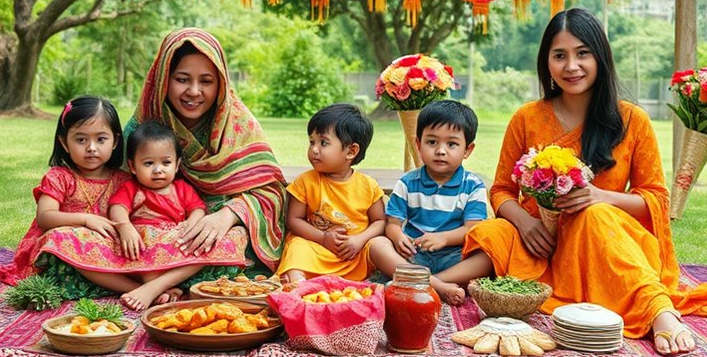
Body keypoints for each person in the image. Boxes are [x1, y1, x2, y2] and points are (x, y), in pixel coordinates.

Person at [461, 8, 707, 356]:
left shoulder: (632, 119)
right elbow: (501, 190)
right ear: (547, 63)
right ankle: (438, 282)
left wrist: (601, 197)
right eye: (560, 56)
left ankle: (657, 311)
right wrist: (524, 222)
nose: (571, 66)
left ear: (601, 57)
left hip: (604, 239)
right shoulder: (527, 117)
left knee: (594, 216)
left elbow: (656, 200)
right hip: (539, 244)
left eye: (582, 53)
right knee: (492, 233)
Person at [125, 28, 287, 277]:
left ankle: (164, 283)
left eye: (206, 81)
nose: (194, 91)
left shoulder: (239, 125)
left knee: (233, 242)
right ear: (163, 80)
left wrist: (226, 216)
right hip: (149, 230)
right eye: (182, 79)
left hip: (218, 232)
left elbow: (271, 193)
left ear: (221, 84)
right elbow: (113, 185)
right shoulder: (144, 125)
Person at [71, 121, 245, 311]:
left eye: (166, 162)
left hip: (175, 249)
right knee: (73, 242)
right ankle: (153, 289)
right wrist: (125, 227)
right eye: (148, 163)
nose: (158, 169)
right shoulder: (131, 188)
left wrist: (192, 223)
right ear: (133, 166)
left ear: (177, 164)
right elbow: (118, 207)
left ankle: (159, 288)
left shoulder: (182, 189)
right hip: (138, 249)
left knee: (232, 235)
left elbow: (197, 209)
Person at [0, 96, 130, 287]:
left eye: (101, 139)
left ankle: (139, 283)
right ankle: (135, 289)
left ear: (115, 141)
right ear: (64, 143)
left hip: (104, 248)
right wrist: (85, 220)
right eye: (81, 139)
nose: (91, 148)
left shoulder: (123, 180)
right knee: (59, 239)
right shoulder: (59, 177)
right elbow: (45, 217)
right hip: (65, 252)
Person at [368, 100, 489, 305]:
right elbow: (393, 224)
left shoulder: (473, 185)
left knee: (488, 257)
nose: (441, 151)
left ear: (467, 150)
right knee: (377, 245)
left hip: (454, 257)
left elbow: (472, 228)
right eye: (432, 142)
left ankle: (425, 283)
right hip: (415, 255)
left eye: (451, 144)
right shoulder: (408, 182)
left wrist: (444, 238)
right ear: (418, 145)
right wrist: (398, 238)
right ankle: (437, 286)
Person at [275, 103, 386, 282]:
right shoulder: (306, 181)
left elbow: (380, 221)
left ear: (351, 151)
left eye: (323, 143)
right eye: (312, 142)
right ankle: (299, 286)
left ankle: (410, 280)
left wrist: (359, 240)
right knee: (297, 246)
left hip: (353, 253)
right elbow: (293, 220)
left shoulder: (368, 185)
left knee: (380, 245)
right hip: (317, 248)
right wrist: (323, 238)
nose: (314, 149)